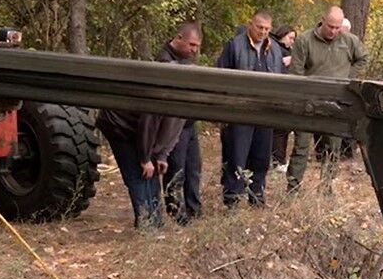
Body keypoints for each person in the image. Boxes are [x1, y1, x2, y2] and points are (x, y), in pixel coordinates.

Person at [97, 23, 190, 227]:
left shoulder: (186, 101)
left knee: (153, 175)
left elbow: (173, 131)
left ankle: (156, 223)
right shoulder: (163, 91)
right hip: (119, 125)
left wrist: (162, 155)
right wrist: (145, 158)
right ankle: (146, 225)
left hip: (137, 129)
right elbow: (148, 125)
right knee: (139, 176)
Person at [286, 6, 368, 191]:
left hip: (335, 104)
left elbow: (363, 58)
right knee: (301, 146)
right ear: (322, 20)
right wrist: (301, 95)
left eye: (337, 27)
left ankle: (327, 186)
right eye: (330, 26)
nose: (333, 31)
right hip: (308, 101)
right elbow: (296, 72)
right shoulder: (305, 40)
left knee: (333, 147)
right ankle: (293, 186)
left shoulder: (348, 41)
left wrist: (348, 76)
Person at [214, 12, 282, 206]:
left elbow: (281, 80)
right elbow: (221, 76)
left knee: (261, 157)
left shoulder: (275, 49)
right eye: (259, 27)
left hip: (265, 113)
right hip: (239, 113)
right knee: (236, 156)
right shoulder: (234, 46)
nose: (263, 32)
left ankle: (256, 196)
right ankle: (232, 199)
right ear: (250, 24)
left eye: (267, 29)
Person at [158, 23, 203, 224]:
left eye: (197, 46)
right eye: (191, 45)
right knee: (176, 171)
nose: (194, 50)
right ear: (179, 38)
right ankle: (176, 213)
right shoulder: (163, 59)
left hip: (188, 123)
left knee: (194, 168)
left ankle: (194, 210)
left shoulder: (184, 59)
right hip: (173, 126)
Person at [269, 25, 297, 172]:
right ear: (282, 34)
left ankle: (277, 159)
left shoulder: (285, 50)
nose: (292, 41)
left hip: (285, 93)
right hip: (277, 93)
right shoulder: (274, 48)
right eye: (290, 37)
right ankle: (278, 160)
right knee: (280, 129)